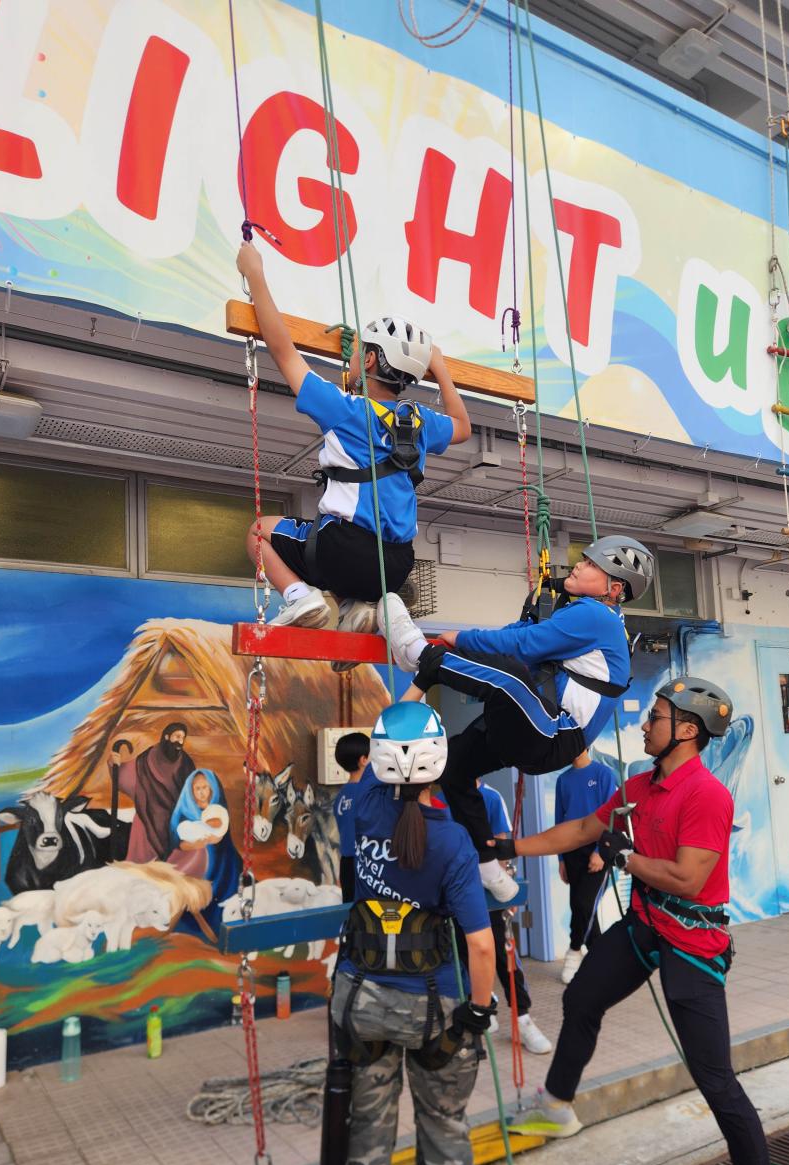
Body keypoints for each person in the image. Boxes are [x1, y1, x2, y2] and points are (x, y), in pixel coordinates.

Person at [504, 678, 789, 1165]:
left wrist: (624, 856)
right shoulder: (638, 785)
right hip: (646, 925)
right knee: (582, 996)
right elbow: (584, 829)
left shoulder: (706, 795)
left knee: (715, 1079)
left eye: (655, 717)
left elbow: (687, 877)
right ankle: (557, 1102)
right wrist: (509, 846)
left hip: (693, 942)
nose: (644, 724)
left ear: (686, 729)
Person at [377, 536, 654, 901]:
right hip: (537, 731)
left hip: (552, 735)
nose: (578, 564)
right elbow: (521, 634)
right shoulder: (588, 614)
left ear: (614, 589)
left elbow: (523, 646)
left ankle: (418, 654)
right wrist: (468, 640)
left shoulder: (598, 616)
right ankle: (488, 863)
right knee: (455, 766)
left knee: (511, 677)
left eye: (591, 565)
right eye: (584, 559)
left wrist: (460, 639)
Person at [323, 702, 495, 1165]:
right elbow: (481, 946)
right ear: (438, 761)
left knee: (363, 1144)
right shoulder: (453, 843)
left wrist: (414, 679)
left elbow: (381, 761)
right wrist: (477, 1014)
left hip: (361, 1006)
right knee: (444, 1135)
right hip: (435, 1014)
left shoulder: (362, 806)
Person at [236, 240, 471, 633]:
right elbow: (463, 425)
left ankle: (300, 598)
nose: (352, 357)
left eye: (359, 351)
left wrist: (255, 274)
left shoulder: (346, 409)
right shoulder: (421, 422)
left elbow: (283, 351)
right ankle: (355, 608)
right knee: (345, 548)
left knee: (259, 532)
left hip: (343, 551)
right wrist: (441, 367)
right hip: (396, 566)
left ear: (371, 359)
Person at [450, 780, 551, 1055]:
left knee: (505, 956)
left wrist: (506, 891)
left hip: (489, 892)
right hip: (456, 891)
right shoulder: (444, 795)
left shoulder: (491, 797)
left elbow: (501, 842)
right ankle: (483, 1003)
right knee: (463, 953)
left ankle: (523, 1018)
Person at [555, 749, 617, 983]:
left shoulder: (603, 774)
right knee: (581, 908)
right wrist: (561, 859)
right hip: (571, 852)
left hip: (597, 850)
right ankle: (601, 965)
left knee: (584, 905)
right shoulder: (563, 780)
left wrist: (600, 852)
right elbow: (559, 822)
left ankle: (573, 952)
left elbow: (612, 817)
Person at [168, 769, 241, 936]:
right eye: (197, 788)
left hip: (220, 863)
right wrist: (196, 845)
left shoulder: (218, 812)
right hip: (192, 860)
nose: (201, 792)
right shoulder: (184, 811)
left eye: (205, 788)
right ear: (191, 790)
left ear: (212, 789)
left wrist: (212, 840)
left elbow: (222, 838)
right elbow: (177, 842)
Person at [112, 722, 194, 864]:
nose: (180, 741)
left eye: (182, 738)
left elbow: (191, 787)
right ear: (167, 736)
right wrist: (115, 765)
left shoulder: (186, 762)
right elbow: (130, 773)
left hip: (175, 814)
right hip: (147, 812)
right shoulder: (148, 757)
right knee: (142, 861)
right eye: (177, 736)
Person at [333, 731, 371, 902]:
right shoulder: (368, 793)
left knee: (352, 911)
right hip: (364, 863)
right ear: (363, 760)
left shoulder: (341, 794)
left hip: (346, 864)